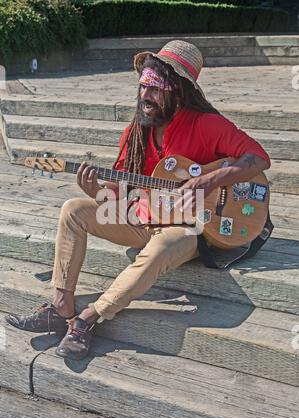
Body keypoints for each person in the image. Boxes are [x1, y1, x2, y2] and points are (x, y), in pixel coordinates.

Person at [5, 40, 270, 360]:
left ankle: (89, 318)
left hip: (191, 228)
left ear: (178, 90)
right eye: (144, 84)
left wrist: (209, 179)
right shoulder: (136, 132)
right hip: (145, 217)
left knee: (161, 246)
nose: (146, 94)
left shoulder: (207, 125)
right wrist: (96, 193)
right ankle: (61, 306)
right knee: (74, 209)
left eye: (156, 86)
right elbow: (118, 193)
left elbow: (259, 158)